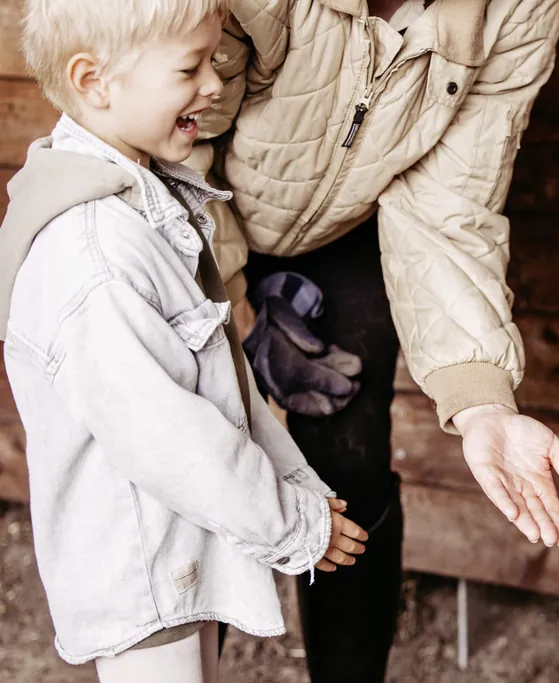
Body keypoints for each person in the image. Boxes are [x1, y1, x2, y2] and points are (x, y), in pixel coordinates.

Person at [189, 0, 559, 680]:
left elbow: (450, 207)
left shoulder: (515, 11)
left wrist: (481, 401)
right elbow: (176, 135)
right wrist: (235, 314)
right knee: (202, 449)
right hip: (190, 204)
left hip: (338, 232)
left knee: (346, 453)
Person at [0, 1, 369, 681]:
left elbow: (222, 384)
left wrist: (295, 490)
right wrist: (292, 524)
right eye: (188, 68)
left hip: (176, 551)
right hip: (141, 571)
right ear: (94, 80)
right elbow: (170, 436)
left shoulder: (144, 203)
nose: (214, 83)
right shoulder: (94, 257)